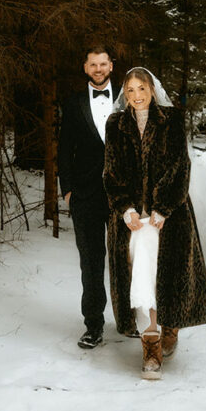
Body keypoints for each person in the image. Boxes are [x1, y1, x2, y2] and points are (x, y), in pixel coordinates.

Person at [104, 67, 206, 380]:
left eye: (142, 88)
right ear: (125, 92)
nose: (136, 96)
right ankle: (151, 339)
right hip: (132, 217)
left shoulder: (172, 120)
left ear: (152, 89)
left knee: (166, 270)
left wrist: (162, 208)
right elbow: (111, 172)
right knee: (140, 270)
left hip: (169, 214)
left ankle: (170, 325)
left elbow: (180, 167)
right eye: (131, 89)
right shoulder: (116, 124)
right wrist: (125, 209)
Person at [59, 46, 119, 349]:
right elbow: (64, 148)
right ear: (85, 67)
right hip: (85, 195)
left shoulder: (127, 97)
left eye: (103, 64)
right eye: (93, 64)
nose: (98, 68)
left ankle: (130, 320)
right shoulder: (73, 103)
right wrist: (67, 190)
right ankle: (93, 325)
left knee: (126, 259)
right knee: (91, 262)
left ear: (111, 66)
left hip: (124, 195)